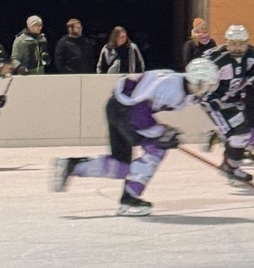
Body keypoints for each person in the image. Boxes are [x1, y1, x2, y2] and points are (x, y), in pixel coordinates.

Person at [50, 58, 220, 216]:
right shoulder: (171, 87)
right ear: (197, 81)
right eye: (207, 85)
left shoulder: (181, 87)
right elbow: (138, 115)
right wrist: (161, 133)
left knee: (121, 165)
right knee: (156, 150)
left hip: (118, 107)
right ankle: (129, 200)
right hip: (126, 112)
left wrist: (163, 131)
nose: (208, 90)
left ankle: (72, 166)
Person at [202, 25, 254, 182]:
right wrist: (210, 97)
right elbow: (199, 82)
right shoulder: (216, 59)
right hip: (215, 104)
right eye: (233, 43)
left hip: (234, 101)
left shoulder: (252, 55)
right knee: (237, 135)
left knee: (243, 135)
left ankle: (230, 165)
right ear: (227, 42)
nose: (237, 47)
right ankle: (230, 166)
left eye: (241, 43)